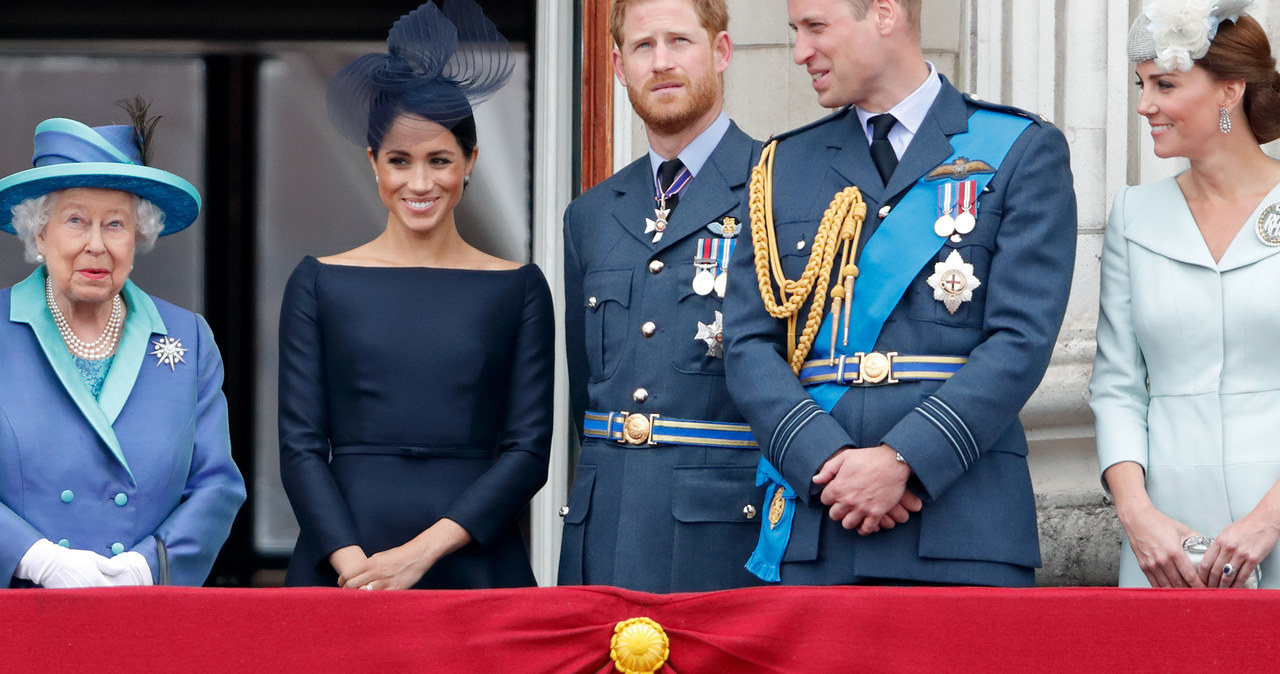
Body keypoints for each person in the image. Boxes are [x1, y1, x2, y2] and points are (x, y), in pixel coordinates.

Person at [723, 0, 1076, 586]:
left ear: (884, 14)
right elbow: (747, 345)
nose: (800, 52)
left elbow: (1021, 341)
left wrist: (904, 459)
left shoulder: (1018, 148)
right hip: (820, 523)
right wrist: (826, 460)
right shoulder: (781, 164)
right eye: (795, 32)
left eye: (816, 28)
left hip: (962, 528)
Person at [279, 0, 553, 591]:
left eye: (440, 161)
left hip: (473, 558)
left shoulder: (519, 288)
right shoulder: (318, 281)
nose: (420, 183)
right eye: (400, 161)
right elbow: (300, 448)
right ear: (373, 163)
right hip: (344, 561)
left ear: (470, 162)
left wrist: (421, 554)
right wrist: (359, 571)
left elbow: (528, 452)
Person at [558, 0, 765, 592]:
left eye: (680, 41)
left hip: (724, 535)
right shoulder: (591, 215)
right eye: (644, 47)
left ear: (721, 53)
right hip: (604, 531)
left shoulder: (778, 188)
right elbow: (586, 389)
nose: (663, 62)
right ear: (619, 67)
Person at [0, 101, 246, 588]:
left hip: (143, 615)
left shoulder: (188, 338)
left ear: (138, 237)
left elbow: (216, 485)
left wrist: (149, 566)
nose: (97, 244)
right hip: (19, 613)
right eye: (75, 220)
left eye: (115, 223)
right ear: (40, 232)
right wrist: (32, 557)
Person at [1091, 0, 1280, 589]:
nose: (1145, 104)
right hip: (1164, 546)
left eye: (1164, 84)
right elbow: (1116, 386)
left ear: (1230, 91)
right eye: (1141, 85)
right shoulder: (1133, 214)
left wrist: (1267, 520)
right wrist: (1137, 516)